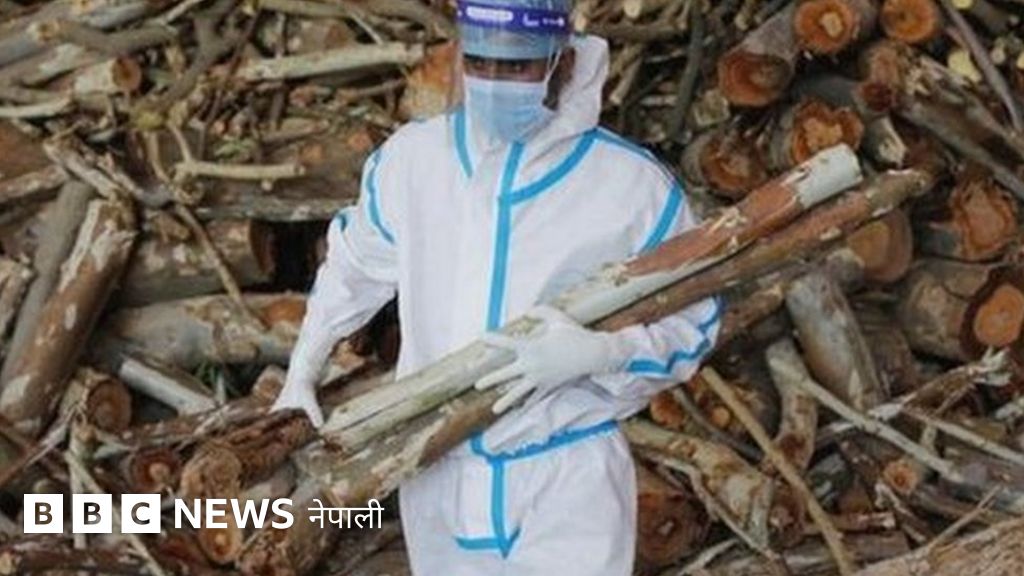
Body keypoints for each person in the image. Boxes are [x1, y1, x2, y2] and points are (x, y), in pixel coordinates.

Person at [270, 0, 722, 574]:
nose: (493, 82)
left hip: (564, 477)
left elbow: (694, 320)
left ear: (561, 61)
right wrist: (302, 369)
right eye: (480, 63)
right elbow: (354, 268)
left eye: (517, 66)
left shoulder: (629, 186)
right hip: (436, 473)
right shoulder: (414, 162)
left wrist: (602, 353)